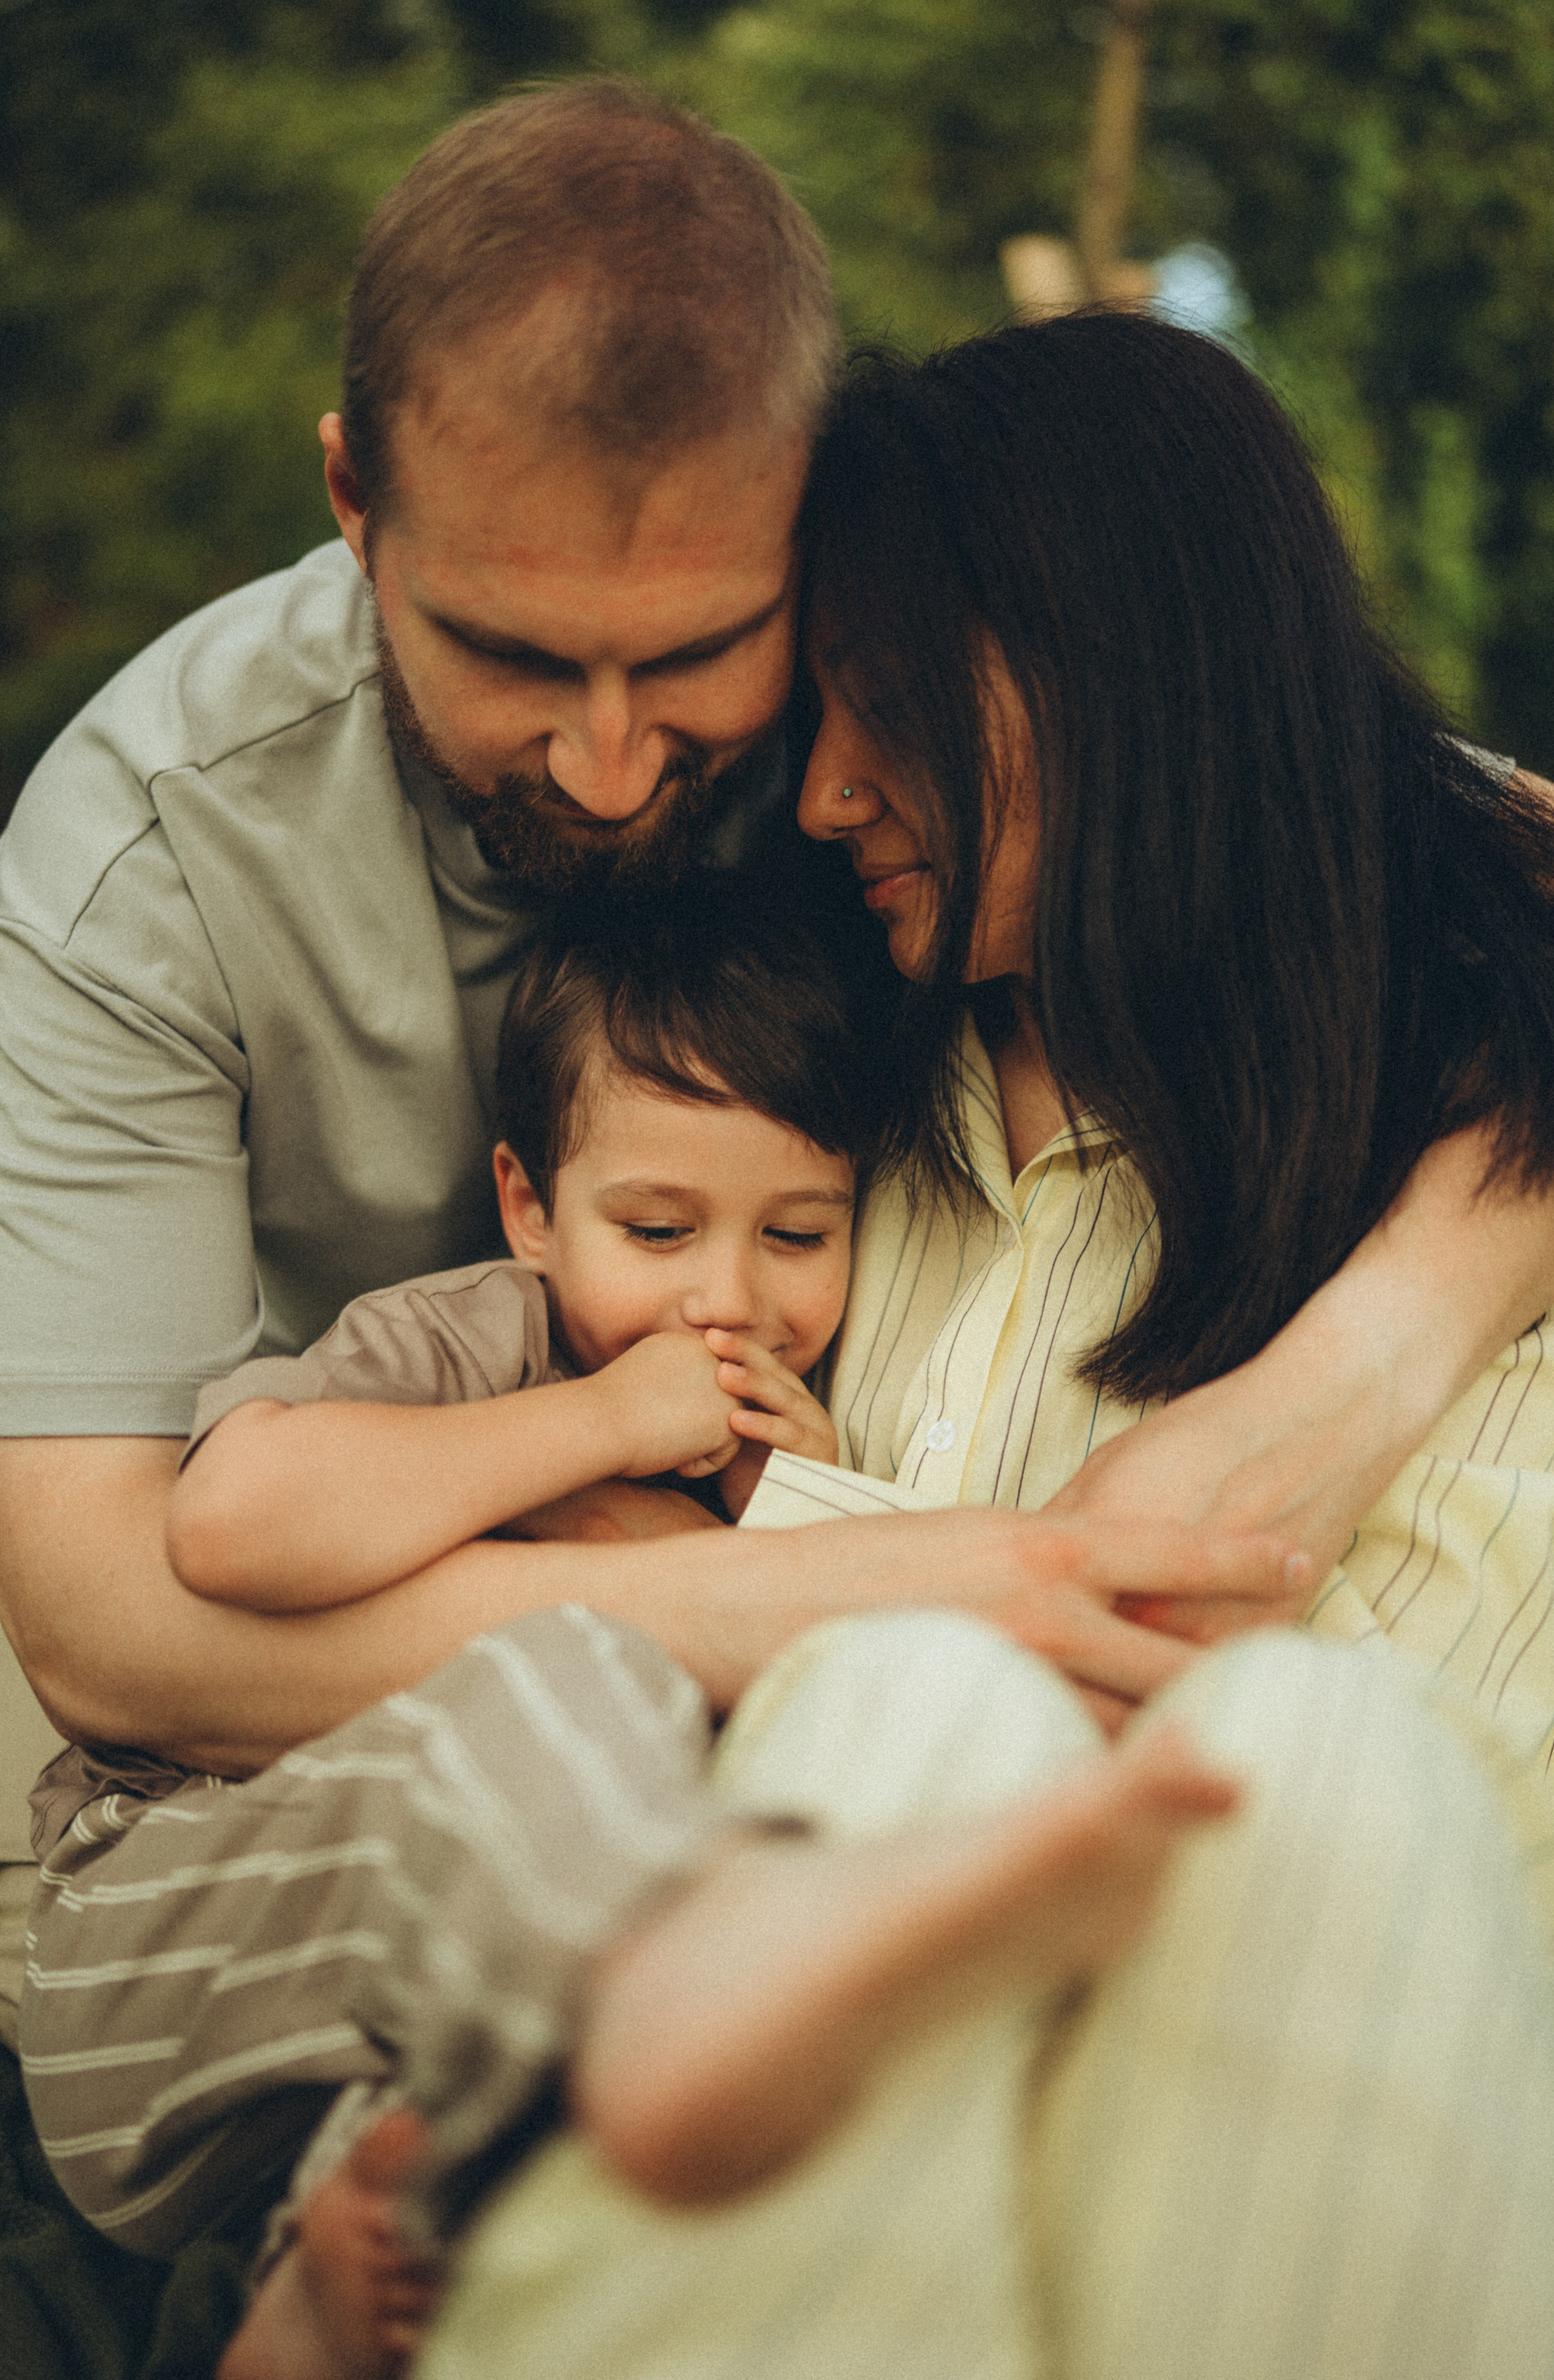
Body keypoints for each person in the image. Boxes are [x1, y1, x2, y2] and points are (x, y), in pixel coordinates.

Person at [0, 71, 1552, 2321]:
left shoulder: (918, 809)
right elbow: (124, 1620)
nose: (627, 768)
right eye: (515, 657)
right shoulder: (140, 869)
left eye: (699, 661)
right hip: (268, 1745)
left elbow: (1271, 736)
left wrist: (1462, 1248)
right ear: (355, 504)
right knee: (892, 1733)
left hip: (778, 1757)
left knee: (1258, 1778)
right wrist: (870, 1580)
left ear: (797, 530)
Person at [402, 313, 1554, 2380]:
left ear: (1129, 660)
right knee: (926, 1703)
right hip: (876, 2159)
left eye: (887, 697)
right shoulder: (823, 1119)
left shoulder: (1475, 1115)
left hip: (1348, 2079)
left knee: (1312, 1761)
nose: (828, 787)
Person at [21, 892, 1238, 2380]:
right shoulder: (478, 1341)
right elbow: (229, 1524)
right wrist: (603, 1418)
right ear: (531, 1207)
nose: (725, 1300)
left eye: (798, 1233)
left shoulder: (799, 1440)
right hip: (148, 1977)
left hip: (404, 2035)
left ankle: (296, 2301)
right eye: (655, 1230)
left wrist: (788, 1506)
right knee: (569, 1671)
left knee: (631, 1841)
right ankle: (694, 1970)